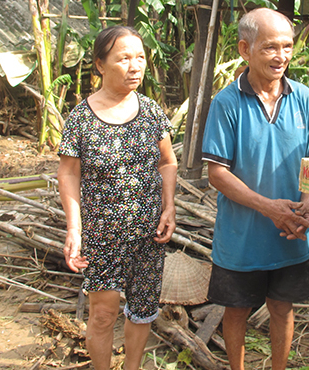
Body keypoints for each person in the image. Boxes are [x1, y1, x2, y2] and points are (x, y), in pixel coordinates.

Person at [201, 8, 309, 370]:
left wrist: (305, 206)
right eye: (271, 47)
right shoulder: (227, 103)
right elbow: (217, 174)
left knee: (282, 307)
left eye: (287, 47)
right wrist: (269, 208)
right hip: (242, 237)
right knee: (237, 309)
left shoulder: (304, 98)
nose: (282, 56)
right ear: (245, 49)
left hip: (290, 233)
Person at [58, 26, 177, 370]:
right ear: (100, 64)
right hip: (102, 236)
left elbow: (168, 161)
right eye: (124, 58)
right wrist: (74, 229)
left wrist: (168, 206)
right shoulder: (81, 118)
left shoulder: (151, 112)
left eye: (140, 57)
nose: (135, 66)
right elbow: (68, 173)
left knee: (142, 312)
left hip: (149, 234)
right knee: (103, 314)